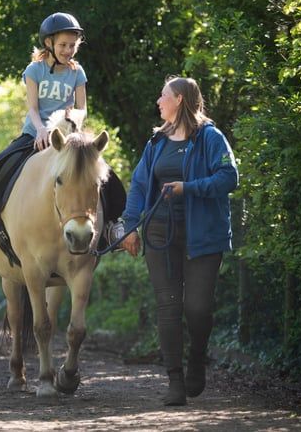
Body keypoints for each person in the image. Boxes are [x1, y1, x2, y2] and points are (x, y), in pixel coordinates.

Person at [119, 76, 238, 406]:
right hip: (160, 232)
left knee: (197, 308)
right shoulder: (156, 141)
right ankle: (174, 379)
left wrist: (189, 188)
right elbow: (140, 186)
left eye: (163, 96)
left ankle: (197, 357)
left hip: (202, 235)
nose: (158, 101)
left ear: (181, 100)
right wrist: (130, 227)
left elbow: (230, 177)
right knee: (168, 307)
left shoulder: (210, 138)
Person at [0, 12, 125, 241]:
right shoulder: (34, 70)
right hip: (35, 133)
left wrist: (75, 119)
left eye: (72, 45)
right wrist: (41, 130)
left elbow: (82, 107)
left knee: (105, 174)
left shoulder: (78, 72)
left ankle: (113, 225)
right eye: (63, 45)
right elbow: (33, 109)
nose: (68, 50)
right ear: (49, 43)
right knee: (1, 164)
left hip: (69, 137)